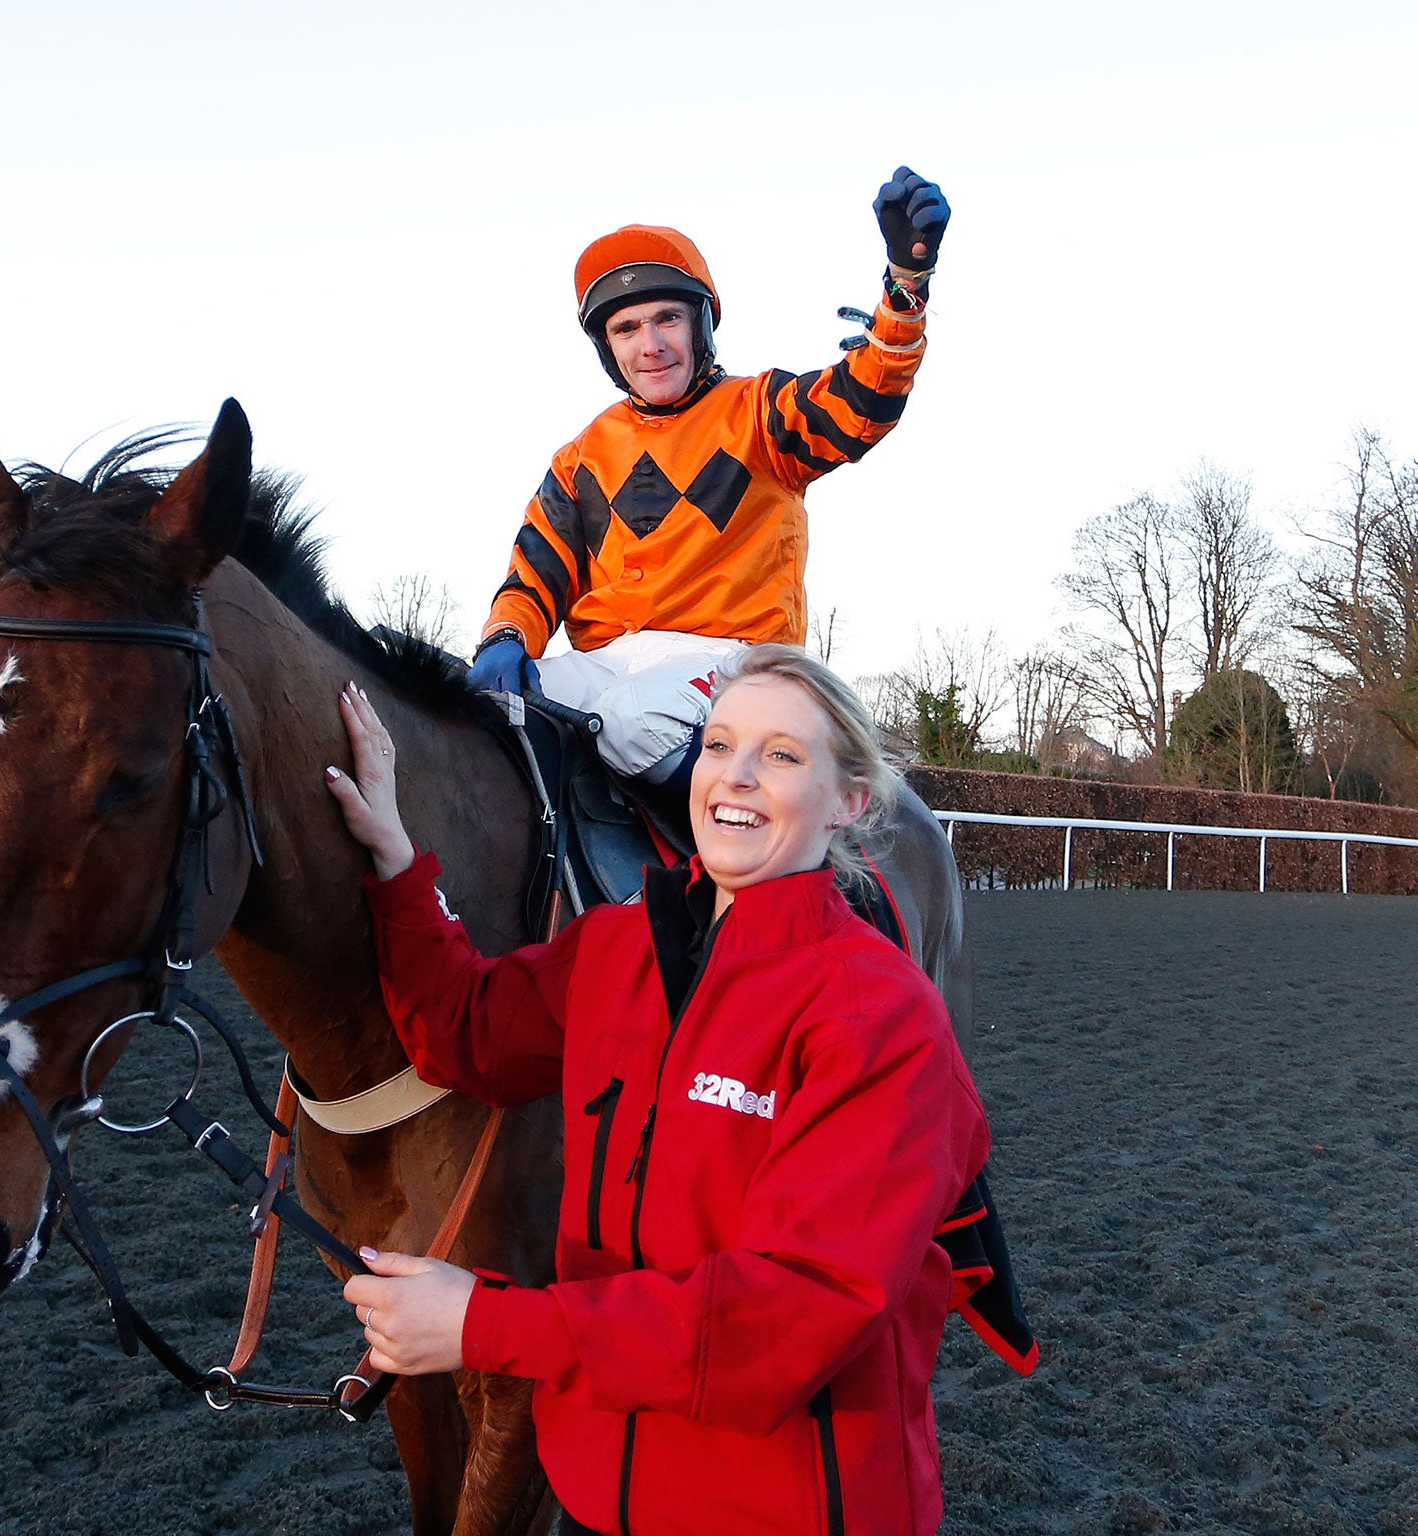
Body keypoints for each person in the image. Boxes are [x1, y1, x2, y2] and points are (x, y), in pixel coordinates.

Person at [323, 646, 989, 1536]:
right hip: (602, 1498)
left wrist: (484, 1324)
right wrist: (398, 861)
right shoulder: (617, 945)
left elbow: (787, 1315)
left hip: (790, 1509)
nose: (736, 778)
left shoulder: (883, 1015)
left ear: (851, 803)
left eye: (782, 757)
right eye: (717, 746)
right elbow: (465, 1033)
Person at [466, 169, 949, 795]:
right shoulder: (580, 457)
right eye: (627, 328)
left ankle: (737, 864)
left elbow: (860, 403)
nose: (652, 345)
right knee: (478, 714)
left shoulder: (760, 410)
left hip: (737, 662)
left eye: (667, 318)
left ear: (700, 325)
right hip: (607, 664)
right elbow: (535, 575)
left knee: (633, 723)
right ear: (607, 348)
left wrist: (905, 289)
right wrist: (504, 639)